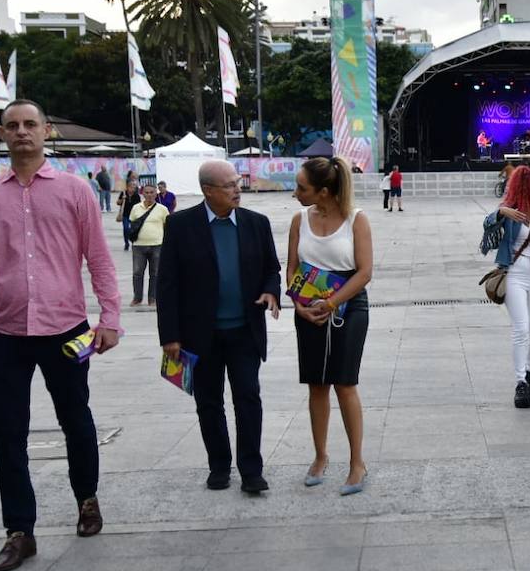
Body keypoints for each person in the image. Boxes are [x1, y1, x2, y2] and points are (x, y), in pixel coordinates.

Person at [0, 100, 121, 571]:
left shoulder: (75, 192)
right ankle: (19, 531)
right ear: (3, 134)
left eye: (30, 124)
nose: (22, 132)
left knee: (77, 419)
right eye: (13, 126)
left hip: (67, 329)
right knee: (8, 434)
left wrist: (109, 318)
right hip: (4, 332)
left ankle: (86, 499)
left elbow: (99, 259)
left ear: (46, 131)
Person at [156, 159, 282, 493]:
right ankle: (219, 466)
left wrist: (270, 291)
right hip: (201, 334)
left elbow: (272, 269)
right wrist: (169, 335)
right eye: (229, 185)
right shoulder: (181, 225)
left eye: (237, 182)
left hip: (244, 331)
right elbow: (167, 284)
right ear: (208, 190)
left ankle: (252, 471)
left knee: (248, 398)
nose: (237, 188)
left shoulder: (257, 223)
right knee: (209, 402)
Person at [289, 156, 373, 494]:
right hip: (308, 307)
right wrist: (299, 305)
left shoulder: (356, 219)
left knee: (344, 382)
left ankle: (357, 462)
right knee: (316, 384)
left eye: (302, 187)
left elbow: (365, 272)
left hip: (348, 306)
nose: (296, 193)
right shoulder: (299, 220)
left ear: (323, 191)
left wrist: (333, 302)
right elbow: (292, 268)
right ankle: (320, 456)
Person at [482, 166, 530, 408]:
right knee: (521, 329)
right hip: (515, 273)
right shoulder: (510, 211)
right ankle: (520, 383)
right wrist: (501, 211)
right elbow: (487, 227)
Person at [128, 182, 169, 307]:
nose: (149, 195)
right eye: (147, 192)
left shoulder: (162, 209)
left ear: (156, 193)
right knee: (137, 273)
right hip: (139, 246)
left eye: (152, 192)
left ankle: (153, 298)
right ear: (142, 193)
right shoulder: (136, 208)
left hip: (157, 245)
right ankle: (137, 298)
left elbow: (167, 227)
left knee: (155, 274)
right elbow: (133, 225)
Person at [116, 178, 139, 252]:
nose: (133, 188)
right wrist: (123, 199)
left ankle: (132, 242)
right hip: (125, 215)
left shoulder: (136, 195)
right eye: (132, 186)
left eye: (134, 187)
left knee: (132, 230)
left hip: (134, 215)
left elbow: (139, 205)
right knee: (126, 228)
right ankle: (126, 243)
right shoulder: (123, 193)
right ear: (128, 187)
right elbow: (118, 202)